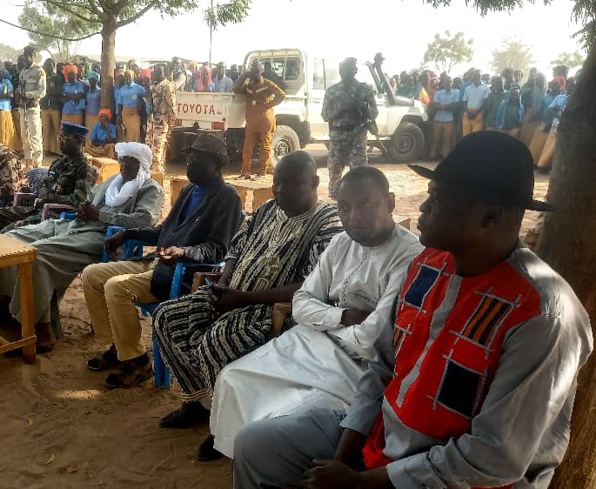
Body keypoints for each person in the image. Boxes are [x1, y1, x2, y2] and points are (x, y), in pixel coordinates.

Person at [231, 131, 592, 489]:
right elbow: (382, 368)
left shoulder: (542, 315)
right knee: (257, 446)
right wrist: (341, 463)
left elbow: (493, 458)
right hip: (387, 436)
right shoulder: (428, 266)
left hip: (459, 478)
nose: (422, 208)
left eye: (439, 199)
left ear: (490, 216)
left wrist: (359, 484)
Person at [206, 167, 422, 462]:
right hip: (312, 341)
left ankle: (268, 460)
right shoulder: (341, 243)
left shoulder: (409, 255)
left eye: (366, 204)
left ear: (391, 202)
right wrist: (342, 316)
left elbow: (372, 339)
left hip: (359, 365)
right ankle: (244, 455)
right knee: (234, 377)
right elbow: (302, 301)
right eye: (344, 207)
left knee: (288, 413)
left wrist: (323, 318)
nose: (354, 216)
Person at [153, 151, 343, 430]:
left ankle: (226, 421)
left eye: (291, 183)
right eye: (277, 182)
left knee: (218, 339)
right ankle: (198, 403)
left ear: (314, 182)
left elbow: (311, 285)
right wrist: (223, 285)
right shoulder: (268, 209)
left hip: (273, 310)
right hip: (232, 295)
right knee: (167, 316)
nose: (280, 190)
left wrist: (243, 299)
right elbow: (236, 248)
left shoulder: (327, 221)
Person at [82, 134, 243, 389]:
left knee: (116, 287)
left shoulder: (227, 197)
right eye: (189, 158)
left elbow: (217, 250)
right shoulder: (190, 191)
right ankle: (119, 346)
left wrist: (183, 252)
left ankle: (138, 362)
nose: (190, 164)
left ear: (217, 164)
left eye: (198, 159)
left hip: (183, 274)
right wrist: (128, 233)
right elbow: (164, 231)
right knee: (92, 275)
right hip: (159, 263)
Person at [0, 140, 164, 353]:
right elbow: (89, 200)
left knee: (37, 255)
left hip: (103, 237)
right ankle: (2, 305)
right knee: (8, 238)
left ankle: (43, 330)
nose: (125, 165)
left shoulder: (151, 189)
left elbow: (144, 221)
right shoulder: (114, 181)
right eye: (122, 159)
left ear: (142, 164)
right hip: (73, 224)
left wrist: (101, 215)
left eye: (131, 161)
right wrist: (83, 209)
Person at [0, 121, 93, 232]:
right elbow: (44, 183)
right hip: (37, 208)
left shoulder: (84, 169)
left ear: (80, 142)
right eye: (59, 138)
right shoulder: (58, 162)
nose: (60, 142)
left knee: (10, 230)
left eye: (64, 139)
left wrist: (49, 197)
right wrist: (42, 189)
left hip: (56, 215)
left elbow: (79, 201)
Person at [321, 58, 378, 198]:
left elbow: (374, 112)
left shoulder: (364, 89)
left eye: (349, 68)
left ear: (355, 70)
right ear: (340, 71)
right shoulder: (332, 91)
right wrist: (341, 109)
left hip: (357, 135)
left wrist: (362, 105)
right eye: (343, 69)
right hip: (337, 135)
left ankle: (359, 199)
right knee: (334, 172)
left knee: (359, 172)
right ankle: (335, 201)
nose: (345, 72)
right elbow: (325, 115)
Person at [233, 61, 286, 180]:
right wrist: (243, 76)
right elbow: (235, 89)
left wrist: (268, 105)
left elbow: (282, 95)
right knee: (247, 147)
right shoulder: (248, 85)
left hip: (264, 120)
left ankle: (262, 171)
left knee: (265, 146)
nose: (253, 74)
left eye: (255, 72)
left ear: (260, 72)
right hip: (251, 120)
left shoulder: (268, 84)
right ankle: (245, 171)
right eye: (251, 72)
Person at [17, 46, 46, 167]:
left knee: (35, 136)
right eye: (25, 55)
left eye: (30, 55)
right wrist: (19, 94)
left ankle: (37, 163)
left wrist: (28, 95)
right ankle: (28, 162)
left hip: (33, 108)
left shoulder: (39, 71)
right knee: (25, 136)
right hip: (23, 108)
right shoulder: (22, 72)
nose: (27, 57)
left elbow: (42, 91)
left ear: (34, 56)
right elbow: (20, 87)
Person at [149, 64, 177, 173]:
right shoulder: (154, 85)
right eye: (155, 71)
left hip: (161, 121)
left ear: (164, 73)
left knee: (158, 149)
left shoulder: (167, 86)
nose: (155, 74)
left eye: (158, 71)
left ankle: (157, 173)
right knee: (151, 148)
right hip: (152, 121)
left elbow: (172, 106)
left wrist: (171, 122)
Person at [428, 75, 459, 160]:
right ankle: (432, 156)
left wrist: (442, 106)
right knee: (435, 139)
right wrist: (448, 106)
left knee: (447, 140)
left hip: (449, 120)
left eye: (450, 82)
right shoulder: (438, 93)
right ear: (443, 83)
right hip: (438, 119)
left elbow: (455, 106)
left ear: (452, 83)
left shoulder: (456, 92)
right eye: (447, 82)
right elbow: (435, 106)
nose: (448, 84)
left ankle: (446, 157)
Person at [116, 69, 146, 143]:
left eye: (130, 77)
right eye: (126, 77)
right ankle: (127, 151)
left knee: (135, 132)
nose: (128, 79)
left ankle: (135, 151)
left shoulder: (139, 89)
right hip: (125, 114)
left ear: (133, 77)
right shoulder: (122, 90)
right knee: (125, 134)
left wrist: (143, 113)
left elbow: (145, 101)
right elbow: (119, 104)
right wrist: (119, 116)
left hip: (135, 114)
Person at [40, 58, 62, 156]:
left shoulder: (57, 78)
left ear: (53, 66)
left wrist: (47, 91)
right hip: (44, 107)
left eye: (49, 65)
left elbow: (58, 92)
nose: (47, 67)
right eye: (46, 65)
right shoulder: (42, 77)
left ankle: (59, 150)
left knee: (57, 130)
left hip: (54, 107)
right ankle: (46, 149)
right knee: (46, 131)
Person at [461, 69, 490, 135]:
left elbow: (485, 102)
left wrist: (476, 112)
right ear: (472, 77)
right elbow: (464, 102)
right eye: (475, 76)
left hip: (478, 114)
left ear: (481, 76)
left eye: (478, 76)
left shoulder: (486, 88)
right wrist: (468, 112)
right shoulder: (468, 88)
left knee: (476, 136)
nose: (476, 77)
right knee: (465, 136)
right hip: (467, 114)